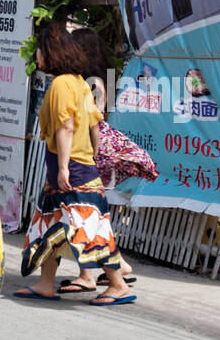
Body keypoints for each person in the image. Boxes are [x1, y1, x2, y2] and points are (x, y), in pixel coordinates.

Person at [16, 20, 133, 305]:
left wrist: (66, 167)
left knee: (88, 229)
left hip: (71, 168)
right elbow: (95, 122)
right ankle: (45, 284)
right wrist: (92, 156)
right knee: (50, 226)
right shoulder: (79, 81)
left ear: (50, 51)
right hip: (75, 165)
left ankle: (117, 284)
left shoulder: (61, 85)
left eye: (40, 51)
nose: (37, 57)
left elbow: (65, 127)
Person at [56, 26, 137, 295]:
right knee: (93, 215)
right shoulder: (96, 78)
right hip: (92, 151)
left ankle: (89, 273)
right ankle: (113, 266)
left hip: (88, 152)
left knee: (86, 214)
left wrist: (89, 155)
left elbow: (93, 122)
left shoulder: (89, 82)